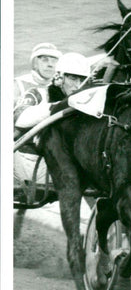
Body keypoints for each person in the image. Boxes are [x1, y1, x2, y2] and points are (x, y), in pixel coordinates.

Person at [14, 53, 92, 204]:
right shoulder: (38, 94)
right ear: (59, 78)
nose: (78, 86)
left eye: (82, 80)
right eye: (73, 78)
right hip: (30, 169)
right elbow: (18, 117)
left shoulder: (81, 103)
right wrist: (58, 107)